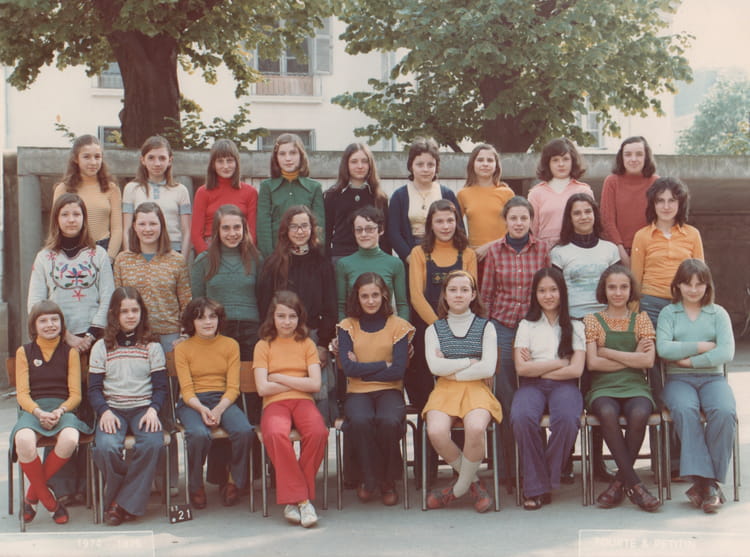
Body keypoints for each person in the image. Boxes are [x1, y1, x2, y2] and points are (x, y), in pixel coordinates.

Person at [27, 192, 115, 506]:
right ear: (56, 219)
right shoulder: (44, 258)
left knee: (91, 408)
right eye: (65, 214)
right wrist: (66, 337)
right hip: (57, 346)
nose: (71, 219)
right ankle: (62, 484)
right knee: (61, 408)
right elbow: (36, 303)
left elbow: (108, 296)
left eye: (76, 214)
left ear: (84, 218)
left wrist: (89, 335)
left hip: (94, 343)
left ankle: (92, 483)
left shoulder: (98, 255)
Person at [657, 259, 736, 514]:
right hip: (678, 380)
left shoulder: (718, 313)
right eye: (687, 284)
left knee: (724, 412)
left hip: (713, 378)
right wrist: (702, 346)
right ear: (678, 285)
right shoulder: (669, 313)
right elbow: (663, 349)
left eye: (699, 284)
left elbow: (726, 352)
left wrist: (690, 360)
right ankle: (708, 486)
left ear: (707, 286)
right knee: (685, 410)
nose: (693, 290)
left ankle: (704, 484)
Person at [480, 196, 549, 479]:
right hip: (503, 326)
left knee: (533, 392)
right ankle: (506, 466)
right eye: (513, 218)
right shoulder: (495, 251)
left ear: (531, 221)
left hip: (533, 328)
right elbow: (486, 296)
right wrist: (486, 334)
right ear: (505, 221)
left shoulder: (542, 249)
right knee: (505, 395)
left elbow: (548, 290)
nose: (519, 223)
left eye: (524, 218)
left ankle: (533, 463)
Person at [583, 264, 661, 511]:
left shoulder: (642, 319)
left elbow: (647, 361)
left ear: (631, 290)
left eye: (623, 287)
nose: (618, 292)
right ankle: (635, 485)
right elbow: (593, 363)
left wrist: (608, 352)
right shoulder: (592, 320)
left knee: (640, 412)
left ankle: (619, 484)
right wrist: (632, 357)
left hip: (636, 386)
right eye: (612, 287)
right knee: (606, 412)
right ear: (604, 290)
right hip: (602, 387)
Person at [422, 271, 500, 513]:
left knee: (475, 428)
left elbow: (488, 368)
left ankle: (457, 489)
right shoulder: (434, 329)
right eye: (453, 290)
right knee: (436, 431)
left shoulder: (486, 327)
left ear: (473, 294)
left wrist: (452, 369)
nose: (458, 295)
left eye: (464, 290)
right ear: (444, 295)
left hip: (477, 388)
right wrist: (469, 361)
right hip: (444, 390)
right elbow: (435, 367)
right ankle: (474, 483)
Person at [88, 287, 167, 526]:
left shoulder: (152, 346)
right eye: (124, 311)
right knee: (106, 447)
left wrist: (153, 409)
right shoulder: (101, 347)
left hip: (144, 408)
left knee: (153, 443)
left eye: (135, 310)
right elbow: (94, 389)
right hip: (113, 409)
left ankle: (118, 504)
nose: (131, 316)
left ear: (142, 312)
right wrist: (104, 411)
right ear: (114, 314)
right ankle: (127, 500)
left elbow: (161, 387)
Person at [11, 301, 93, 525]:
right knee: (24, 440)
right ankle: (50, 502)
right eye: (43, 320)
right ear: (34, 325)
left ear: (62, 324)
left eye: (54, 319)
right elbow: (22, 394)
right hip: (33, 409)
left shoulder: (70, 353)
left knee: (70, 438)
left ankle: (31, 497)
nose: (50, 324)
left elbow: (76, 395)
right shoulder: (24, 352)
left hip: (62, 409)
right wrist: (38, 413)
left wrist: (60, 411)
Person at [510, 267, 585, 510]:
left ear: (562, 292)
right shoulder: (526, 325)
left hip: (565, 386)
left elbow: (576, 370)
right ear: (535, 294)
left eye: (553, 290)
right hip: (531, 386)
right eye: (542, 291)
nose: (548, 295)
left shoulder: (575, 326)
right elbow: (521, 369)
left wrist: (538, 368)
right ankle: (539, 484)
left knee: (568, 420)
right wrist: (560, 363)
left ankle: (538, 483)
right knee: (521, 417)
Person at [337, 272, 414, 506]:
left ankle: (387, 481)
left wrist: (362, 368)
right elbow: (348, 369)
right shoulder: (347, 326)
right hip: (357, 391)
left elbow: (398, 371)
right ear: (357, 298)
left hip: (390, 390)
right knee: (361, 421)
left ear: (384, 296)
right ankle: (369, 479)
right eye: (364, 296)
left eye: (375, 295)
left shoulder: (399, 326)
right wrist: (383, 364)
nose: (370, 301)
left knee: (388, 421)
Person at [254, 290, 328, 528]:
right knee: (275, 433)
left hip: (303, 401)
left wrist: (279, 377)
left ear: (300, 317)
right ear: (272, 317)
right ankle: (303, 500)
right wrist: (297, 380)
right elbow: (262, 388)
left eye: (292, 316)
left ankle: (294, 499)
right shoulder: (263, 345)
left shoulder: (307, 344)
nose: (287, 322)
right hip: (274, 403)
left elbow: (315, 384)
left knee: (318, 432)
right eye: (281, 316)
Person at [257, 205, 337, 423]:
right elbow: (264, 306)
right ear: (285, 230)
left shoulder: (322, 263)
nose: (300, 231)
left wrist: (323, 344)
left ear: (312, 229)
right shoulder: (273, 264)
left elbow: (330, 306)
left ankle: (317, 443)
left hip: (313, 338)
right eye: (294, 226)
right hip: (280, 339)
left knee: (318, 399)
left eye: (304, 226)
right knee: (283, 398)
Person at [175, 297, 254, 508]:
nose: (208, 322)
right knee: (198, 434)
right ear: (192, 322)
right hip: (193, 402)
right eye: (201, 318)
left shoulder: (230, 345)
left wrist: (218, 409)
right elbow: (186, 390)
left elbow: (233, 387)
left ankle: (233, 480)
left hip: (222, 400)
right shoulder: (183, 349)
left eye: (212, 316)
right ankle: (195, 485)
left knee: (244, 431)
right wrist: (202, 409)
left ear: (219, 319)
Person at [407, 199, 477, 412]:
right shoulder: (419, 253)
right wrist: (440, 327)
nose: (445, 226)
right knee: (424, 388)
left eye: (450, 220)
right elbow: (416, 296)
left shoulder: (467, 254)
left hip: (461, 328)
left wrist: (452, 328)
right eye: (439, 221)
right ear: (430, 224)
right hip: (426, 328)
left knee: (457, 383)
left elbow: (470, 292)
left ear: (457, 223)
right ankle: (427, 432)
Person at [115, 202, 191, 355]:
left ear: (161, 226)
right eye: (142, 224)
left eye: (153, 224)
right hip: (133, 335)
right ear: (134, 226)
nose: (147, 229)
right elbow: (117, 302)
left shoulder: (177, 260)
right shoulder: (122, 260)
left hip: (170, 336)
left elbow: (186, 302)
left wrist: (185, 335)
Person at [191, 204, 261, 361]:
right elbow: (197, 302)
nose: (232, 233)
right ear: (217, 230)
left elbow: (264, 298)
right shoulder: (203, 261)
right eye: (226, 228)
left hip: (252, 332)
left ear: (244, 229)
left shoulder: (256, 259)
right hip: (217, 330)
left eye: (237, 227)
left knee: (248, 376)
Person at [631, 177, 704, 327]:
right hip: (650, 304)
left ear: (680, 203)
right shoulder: (641, 236)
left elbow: (702, 277)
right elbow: (635, 279)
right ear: (653, 204)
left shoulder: (693, 234)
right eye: (660, 200)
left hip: (684, 303)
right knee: (653, 343)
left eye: (672, 200)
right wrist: (633, 315)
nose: (666, 206)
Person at [388, 137, 463, 263]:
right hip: (412, 255)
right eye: (420, 164)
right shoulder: (399, 196)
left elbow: (459, 228)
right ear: (411, 165)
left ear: (436, 166)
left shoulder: (447, 194)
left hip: (444, 253)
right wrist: (410, 257)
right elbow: (393, 232)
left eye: (430, 165)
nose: (425, 169)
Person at [53, 134, 122, 261]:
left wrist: (109, 257)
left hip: (103, 250)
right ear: (76, 159)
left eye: (97, 157)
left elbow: (117, 229)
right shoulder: (63, 189)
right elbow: (55, 226)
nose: (93, 162)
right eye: (86, 157)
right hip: (70, 250)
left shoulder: (112, 189)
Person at [257, 133, 325, 257]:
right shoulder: (266, 187)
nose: (288, 158)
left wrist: (316, 255)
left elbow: (319, 226)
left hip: (307, 256)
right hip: (277, 255)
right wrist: (269, 257)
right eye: (282, 154)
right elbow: (263, 227)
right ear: (276, 157)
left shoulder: (314, 187)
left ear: (301, 155)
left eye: (293, 153)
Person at [336, 206, 409, 321]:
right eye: (359, 230)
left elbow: (402, 305)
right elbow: (341, 306)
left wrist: (402, 330)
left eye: (369, 229)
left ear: (381, 230)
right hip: (354, 327)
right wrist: (344, 329)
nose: (363, 234)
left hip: (386, 326)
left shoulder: (395, 264)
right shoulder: (344, 264)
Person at [122, 135, 192, 254]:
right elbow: (127, 229)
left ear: (170, 160)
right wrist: (129, 257)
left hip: (172, 251)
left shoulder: (180, 190)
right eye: (151, 158)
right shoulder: (131, 189)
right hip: (141, 251)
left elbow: (187, 230)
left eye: (162, 158)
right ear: (143, 160)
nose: (157, 163)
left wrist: (183, 260)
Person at [191, 138, 258, 255]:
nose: (226, 166)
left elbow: (252, 231)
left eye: (230, 160)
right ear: (213, 165)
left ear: (236, 162)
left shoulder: (250, 192)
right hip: (210, 249)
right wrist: (207, 257)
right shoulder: (203, 192)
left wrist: (244, 255)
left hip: (240, 248)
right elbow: (196, 234)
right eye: (220, 161)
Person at [456, 144, 515, 274]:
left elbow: (515, 228)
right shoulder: (463, 194)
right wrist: (467, 249)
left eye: (490, 160)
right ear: (472, 164)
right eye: (480, 160)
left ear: (496, 165)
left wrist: (489, 247)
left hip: (503, 254)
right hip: (476, 256)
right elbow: (455, 227)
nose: (485, 164)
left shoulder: (507, 193)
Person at [324, 142, 390, 260]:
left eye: (364, 161)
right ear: (346, 164)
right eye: (354, 162)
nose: (360, 166)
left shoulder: (379, 196)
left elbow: (385, 236)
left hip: (372, 257)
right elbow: (326, 233)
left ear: (370, 164)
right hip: (341, 257)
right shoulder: (332, 195)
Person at [600, 136, 659, 266]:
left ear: (646, 157)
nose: (633, 159)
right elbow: (607, 221)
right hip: (617, 251)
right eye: (628, 154)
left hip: (650, 250)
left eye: (639, 154)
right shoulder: (612, 182)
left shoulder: (656, 182)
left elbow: (659, 220)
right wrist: (622, 254)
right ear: (621, 158)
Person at [527, 138, 593, 249]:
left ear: (573, 161)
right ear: (548, 163)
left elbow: (591, 227)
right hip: (545, 251)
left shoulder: (584, 191)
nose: (561, 164)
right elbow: (531, 231)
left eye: (565, 159)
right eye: (555, 160)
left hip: (577, 249)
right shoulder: (536, 194)